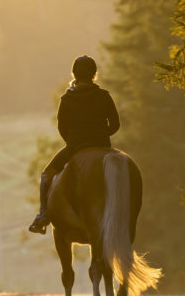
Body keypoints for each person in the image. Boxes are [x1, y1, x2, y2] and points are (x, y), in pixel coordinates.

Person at [28, 55, 120, 234]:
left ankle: (43, 216)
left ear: (74, 74)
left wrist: (75, 141)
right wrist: (100, 135)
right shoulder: (104, 96)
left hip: (75, 147)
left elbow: (62, 128)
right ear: (94, 74)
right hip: (102, 145)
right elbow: (115, 124)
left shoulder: (67, 99)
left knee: (46, 175)